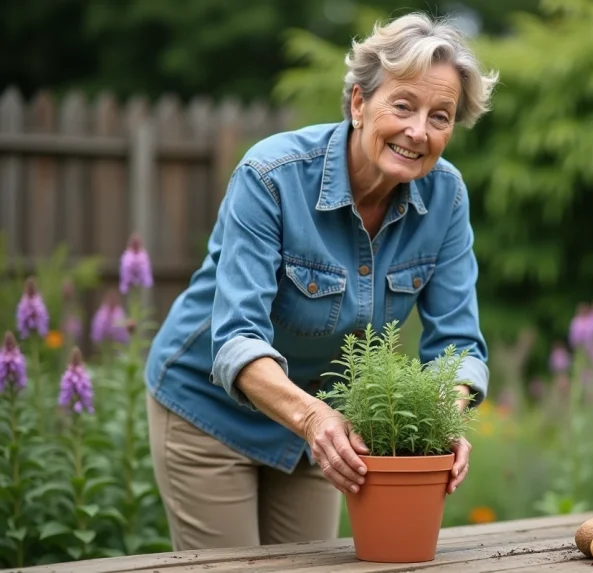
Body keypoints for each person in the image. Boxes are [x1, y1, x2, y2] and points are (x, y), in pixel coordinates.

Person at [143, 12, 498, 551]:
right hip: (208, 412)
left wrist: (445, 418)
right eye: (402, 106)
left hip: (327, 423)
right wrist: (314, 419)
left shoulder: (446, 199)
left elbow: (459, 343)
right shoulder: (271, 177)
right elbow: (236, 337)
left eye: (440, 116)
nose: (418, 132)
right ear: (359, 103)